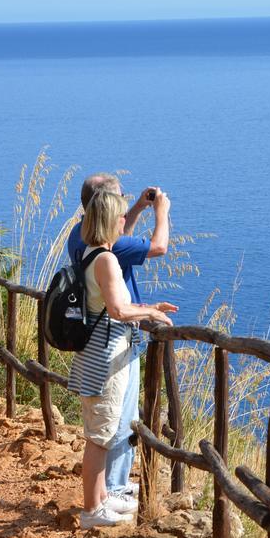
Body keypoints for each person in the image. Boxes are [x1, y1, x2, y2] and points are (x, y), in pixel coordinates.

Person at [66, 173, 175, 511]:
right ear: (106, 209)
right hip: (110, 351)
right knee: (110, 427)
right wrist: (162, 211)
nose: (124, 213)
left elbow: (119, 242)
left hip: (96, 350)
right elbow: (158, 247)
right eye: (121, 205)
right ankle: (104, 497)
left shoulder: (79, 237)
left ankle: (106, 494)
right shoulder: (105, 256)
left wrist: (140, 208)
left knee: (108, 426)